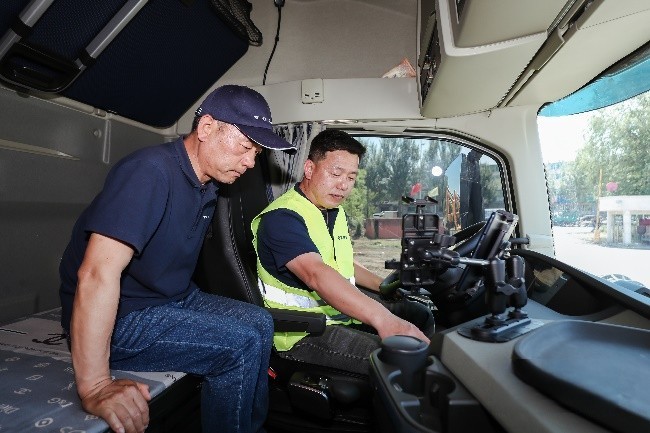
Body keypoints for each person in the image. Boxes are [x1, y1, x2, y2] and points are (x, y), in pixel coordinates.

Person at [59, 85, 295, 433]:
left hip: (174, 298)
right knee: (239, 344)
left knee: (260, 323)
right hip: (128, 314)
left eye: (256, 153)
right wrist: (95, 386)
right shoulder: (149, 172)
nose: (250, 162)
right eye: (246, 147)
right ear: (207, 128)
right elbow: (96, 273)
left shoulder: (209, 183)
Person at [252, 129, 435, 375]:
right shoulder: (282, 219)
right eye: (336, 173)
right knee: (402, 362)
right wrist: (383, 319)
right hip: (302, 333)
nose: (343, 185)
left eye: (351, 177)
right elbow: (316, 273)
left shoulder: (329, 211)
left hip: (334, 315)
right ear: (309, 169)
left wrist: (382, 285)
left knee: (418, 313)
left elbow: (342, 263)